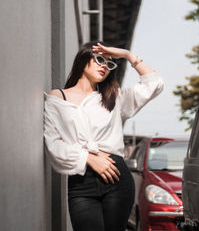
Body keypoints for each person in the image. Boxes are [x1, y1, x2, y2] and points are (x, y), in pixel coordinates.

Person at [43, 41, 164, 231]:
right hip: (81, 179)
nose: (104, 66)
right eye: (99, 59)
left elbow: (155, 83)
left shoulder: (114, 98)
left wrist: (126, 55)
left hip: (117, 177)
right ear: (83, 59)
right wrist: (89, 158)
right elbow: (53, 144)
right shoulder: (58, 98)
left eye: (109, 64)